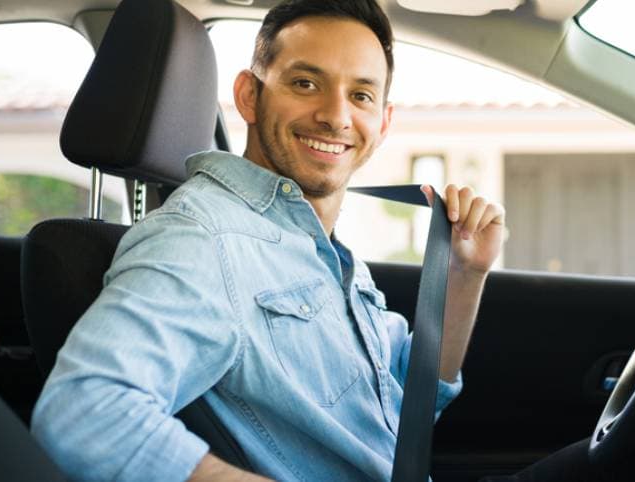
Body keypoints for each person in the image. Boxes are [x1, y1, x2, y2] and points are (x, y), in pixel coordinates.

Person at [31, 1, 504, 481]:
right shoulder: (203, 238)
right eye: (305, 84)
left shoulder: (318, 244)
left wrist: (465, 275)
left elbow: (409, 406)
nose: (336, 117)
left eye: (361, 95)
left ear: (382, 123)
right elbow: (84, 414)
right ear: (249, 96)